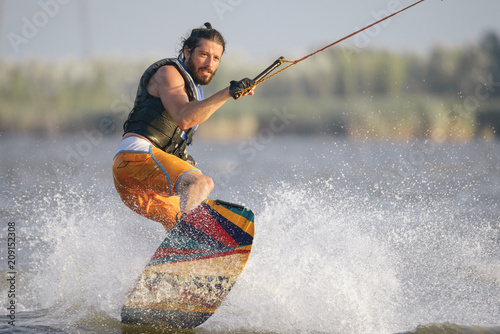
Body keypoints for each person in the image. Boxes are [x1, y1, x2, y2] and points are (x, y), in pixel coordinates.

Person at [112, 22, 255, 230]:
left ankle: (180, 260)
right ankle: (186, 239)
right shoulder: (168, 73)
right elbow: (184, 117)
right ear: (187, 51)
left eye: (216, 58)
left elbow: (186, 121)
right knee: (201, 183)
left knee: (188, 223)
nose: (210, 63)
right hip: (135, 158)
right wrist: (227, 92)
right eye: (204, 54)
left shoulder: (194, 88)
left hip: (138, 183)